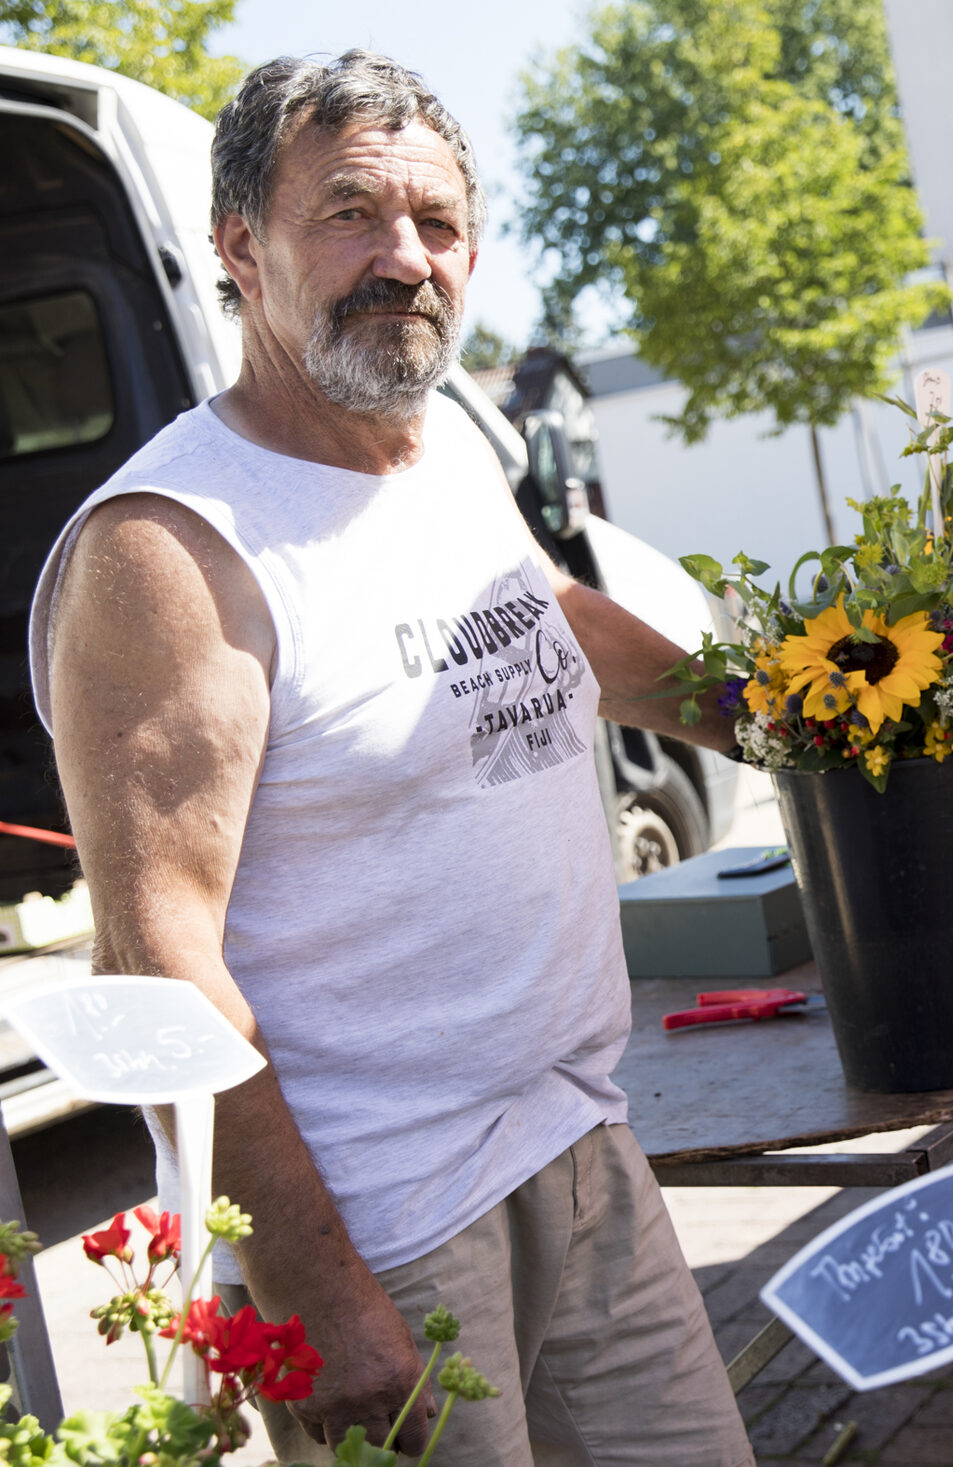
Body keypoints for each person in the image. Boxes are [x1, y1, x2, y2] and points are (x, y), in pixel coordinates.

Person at [31, 52, 751, 1465]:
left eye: (436, 222)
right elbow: (158, 958)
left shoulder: (441, 457)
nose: (403, 258)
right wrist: (315, 1288)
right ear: (241, 243)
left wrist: (792, 708)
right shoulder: (172, 546)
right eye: (352, 213)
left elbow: (550, 624)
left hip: (580, 1138)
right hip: (388, 1222)